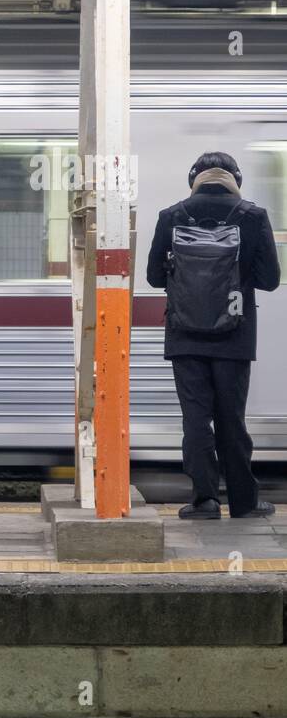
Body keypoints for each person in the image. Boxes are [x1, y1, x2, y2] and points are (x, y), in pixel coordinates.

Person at [145, 151, 281, 519]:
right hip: (234, 336)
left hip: (184, 336)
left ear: (194, 178)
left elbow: (155, 278)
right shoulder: (253, 216)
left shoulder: (171, 217)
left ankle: (205, 500)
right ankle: (244, 502)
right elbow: (270, 280)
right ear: (235, 178)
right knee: (231, 420)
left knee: (195, 420)